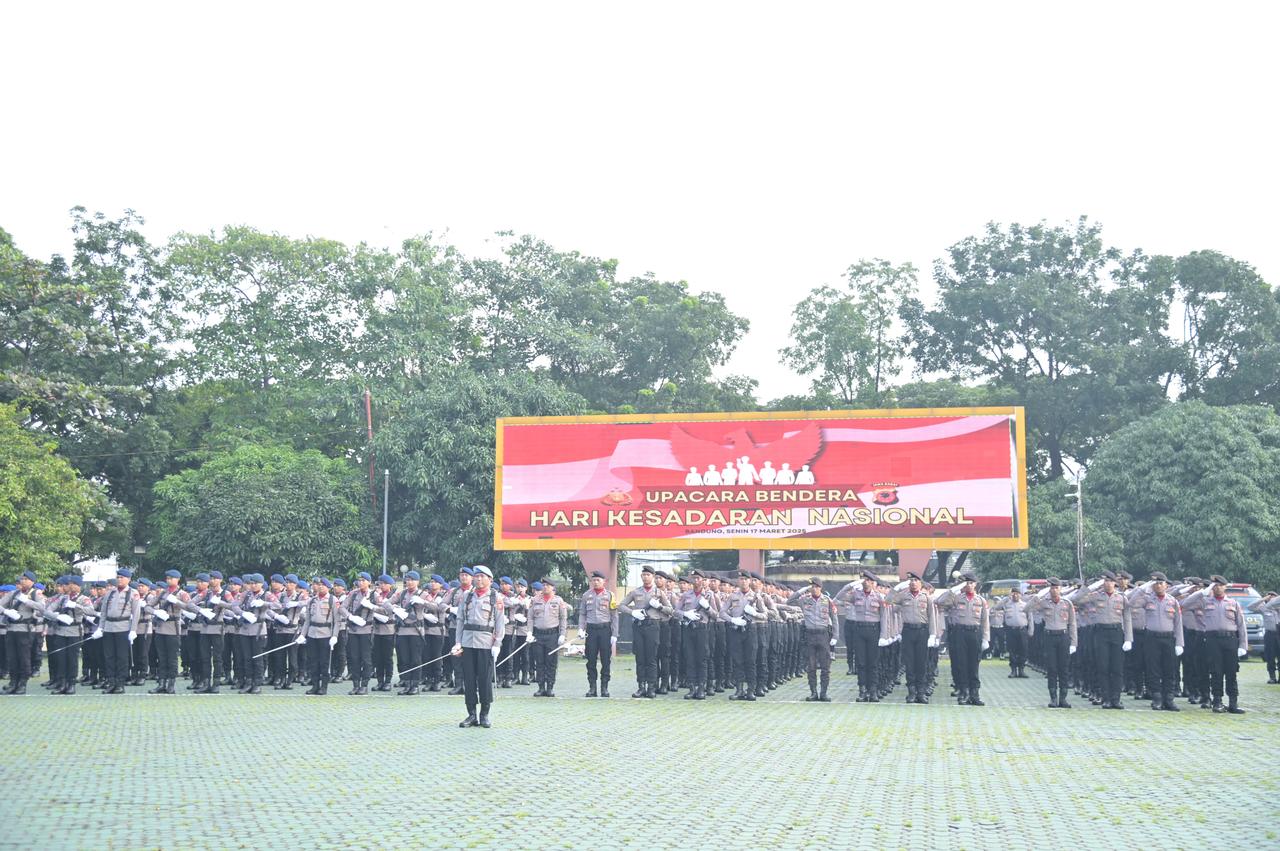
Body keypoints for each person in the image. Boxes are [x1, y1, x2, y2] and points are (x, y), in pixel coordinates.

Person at [1179, 574, 1248, 713]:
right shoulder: (1205, 601)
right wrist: (1202, 592)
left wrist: (1243, 645)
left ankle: (1233, 703)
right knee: (1216, 672)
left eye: (1220, 585)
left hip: (1230, 639)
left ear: (1225, 587)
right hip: (1212, 640)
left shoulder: (1233, 603)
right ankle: (1217, 701)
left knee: (1231, 672)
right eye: (1214, 585)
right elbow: (1184, 604)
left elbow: (1241, 625)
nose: (1217, 588)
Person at [1068, 570, 1133, 709]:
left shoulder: (1121, 598)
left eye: (1109, 581)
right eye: (1104, 581)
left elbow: (1127, 618)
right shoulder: (1096, 596)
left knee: (1117, 668)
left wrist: (1128, 638)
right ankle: (1106, 699)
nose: (1107, 583)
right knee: (1103, 667)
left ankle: (1116, 699)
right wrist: (1087, 587)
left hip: (1116, 632)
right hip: (1101, 633)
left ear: (1114, 583)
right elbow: (1075, 600)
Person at [452, 565, 506, 728]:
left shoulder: (495, 598)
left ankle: (484, 714)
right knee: (469, 680)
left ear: (490, 579)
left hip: (485, 643)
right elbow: (460, 620)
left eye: (482, 576)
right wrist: (458, 642)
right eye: (476, 576)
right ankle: (471, 714)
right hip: (468, 643)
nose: (478, 579)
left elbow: (499, 623)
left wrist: (497, 644)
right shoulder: (467, 596)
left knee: (484, 680)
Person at [1126, 572, 1184, 711]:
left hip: (1168, 638)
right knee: (1153, 670)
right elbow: (1131, 602)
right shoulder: (1147, 599)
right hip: (1151, 638)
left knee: (1169, 670)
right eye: (1156, 583)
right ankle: (1157, 698)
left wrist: (1180, 643)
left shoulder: (1172, 601)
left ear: (1166, 585)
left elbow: (1178, 623)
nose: (1158, 586)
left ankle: (1169, 699)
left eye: (1161, 583)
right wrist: (1142, 588)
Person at [934, 570, 990, 706]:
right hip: (960, 633)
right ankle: (964, 693)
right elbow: (938, 601)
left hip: (975, 634)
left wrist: (985, 638)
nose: (969, 586)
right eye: (966, 583)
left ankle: (974, 694)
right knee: (962, 664)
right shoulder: (956, 598)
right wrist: (952, 590)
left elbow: (985, 621)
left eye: (971, 583)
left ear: (975, 585)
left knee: (974, 665)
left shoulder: (981, 601)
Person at [884, 572, 938, 704]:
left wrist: (933, 635)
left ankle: (921, 692)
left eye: (915, 580)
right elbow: (888, 601)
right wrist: (896, 588)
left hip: (922, 632)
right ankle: (912, 692)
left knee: (921, 663)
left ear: (920, 583)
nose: (913, 582)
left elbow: (932, 617)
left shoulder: (927, 598)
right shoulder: (903, 596)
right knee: (910, 663)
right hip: (908, 631)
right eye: (911, 580)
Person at [835, 571, 887, 702]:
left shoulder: (879, 596)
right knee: (861, 663)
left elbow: (884, 616)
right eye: (863, 580)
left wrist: (883, 635)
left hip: (874, 630)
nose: (865, 582)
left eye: (867, 580)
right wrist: (850, 585)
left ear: (872, 582)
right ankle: (862, 690)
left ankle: (873, 690)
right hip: (859, 630)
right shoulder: (856, 594)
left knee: (873, 663)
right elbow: (840, 596)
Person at [620, 566, 672, 698]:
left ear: (653, 577)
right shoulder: (635, 592)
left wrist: (659, 606)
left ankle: (651, 687)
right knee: (640, 658)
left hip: (653, 626)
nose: (645, 577)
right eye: (643, 575)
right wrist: (633, 612)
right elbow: (621, 605)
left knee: (652, 658)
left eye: (648, 575)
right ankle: (641, 686)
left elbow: (670, 610)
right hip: (639, 626)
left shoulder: (659, 593)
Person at [1026, 578, 1078, 708]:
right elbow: (1027, 608)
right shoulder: (1044, 603)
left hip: (1063, 637)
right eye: (1052, 588)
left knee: (1064, 669)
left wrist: (1074, 642)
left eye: (1056, 587)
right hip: (1050, 637)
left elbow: (1072, 623)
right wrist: (1039, 595)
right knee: (1052, 668)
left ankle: (1063, 698)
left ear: (1060, 589)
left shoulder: (1067, 603)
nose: (1054, 590)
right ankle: (1053, 698)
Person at [785, 577, 838, 701]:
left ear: (820, 587)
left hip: (823, 635)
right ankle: (813, 692)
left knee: (825, 666)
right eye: (811, 587)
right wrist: (801, 591)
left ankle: (823, 693)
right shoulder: (804, 600)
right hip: (809, 635)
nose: (812, 589)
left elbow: (834, 619)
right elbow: (789, 601)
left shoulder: (827, 600)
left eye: (815, 586)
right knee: (811, 666)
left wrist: (835, 636)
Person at [675, 571, 717, 700]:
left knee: (702, 659)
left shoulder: (709, 595)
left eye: (698, 578)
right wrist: (685, 614)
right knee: (690, 658)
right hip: (688, 628)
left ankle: (701, 688)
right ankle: (692, 687)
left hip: (702, 629)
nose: (695, 580)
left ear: (703, 580)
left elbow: (716, 615)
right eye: (693, 578)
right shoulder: (686, 595)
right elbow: (675, 611)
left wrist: (708, 607)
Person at [578, 570, 619, 697]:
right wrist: (581, 628)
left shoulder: (610, 595)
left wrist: (614, 634)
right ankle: (592, 688)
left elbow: (614, 615)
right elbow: (582, 614)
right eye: (593, 580)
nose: (595, 582)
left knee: (606, 660)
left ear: (604, 581)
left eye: (598, 580)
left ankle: (604, 687)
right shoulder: (586, 595)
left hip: (605, 630)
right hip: (591, 630)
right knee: (590, 660)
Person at [296, 577, 340, 695]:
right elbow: (307, 621)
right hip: (312, 634)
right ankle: (315, 685)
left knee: (324, 662)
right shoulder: (312, 600)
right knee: (313, 662)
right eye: (319, 584)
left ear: (328, 587)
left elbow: (337, 621)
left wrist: (334, 636)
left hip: (325, 634)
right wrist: (303, 635)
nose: (320, 587)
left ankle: (323, 687)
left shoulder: (333, 600)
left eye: (323, 585)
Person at [386, 570, 426, 695]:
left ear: (417, 581)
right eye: (407, 580)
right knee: (404, 659)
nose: (409, 582)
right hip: (402, 631)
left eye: (412, 580)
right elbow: (386, 603)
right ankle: (407, 684)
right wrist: (395, 609)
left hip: (416, 631)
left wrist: (423, 602)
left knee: (416, 659)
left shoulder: (423, 594)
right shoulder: (401, 593)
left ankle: (415, 685)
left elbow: (436, 607)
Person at [528, 579, 567, 696]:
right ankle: (541, 687)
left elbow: (562, 618)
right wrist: (529, 633)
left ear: (552, 587)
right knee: (539, 661)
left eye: (548, 585)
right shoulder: (534, 600)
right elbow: (530, 618)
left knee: (551, 662)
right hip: (538, 634)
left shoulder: (558, 601)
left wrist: (562, 634)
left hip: (552, 635)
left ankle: (550, 687)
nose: (545, 587)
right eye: (543, 585)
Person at [341, 572, 375, 695]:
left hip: (366, 631)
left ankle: (364, 685)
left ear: (369, 582)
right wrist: (350, 617)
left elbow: (384, 610)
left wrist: (371, 606)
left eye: (363, 580)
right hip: (354, 630)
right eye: (359, 580)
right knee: (354, 658)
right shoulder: (353, 594)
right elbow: (342, 608)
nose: (361, 582)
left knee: (366, 659)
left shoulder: (374, 595)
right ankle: (356, 684)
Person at [993, 588, 1030, 678]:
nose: (1015, 595)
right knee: (1012, 650)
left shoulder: (1025, 605)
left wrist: (1030, 631)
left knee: (1023, 650)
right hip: (1011, 630)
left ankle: (1021, 670)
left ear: (1020, 595)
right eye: (1013, 594)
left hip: (1022, 630)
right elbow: (996, 607)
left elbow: (1030, 618)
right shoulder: (1006, 604)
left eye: (1017, 594)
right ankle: (1013, 670)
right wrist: (1006, 598)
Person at [369, 575, 397, 691]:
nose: (382, 585)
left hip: (389, 630)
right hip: (377, 630)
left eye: (385, 583)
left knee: (387, 657)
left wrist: (375, 609)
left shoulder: (394, 596)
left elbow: (389, 610)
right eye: (381, 583)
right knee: (377, 657)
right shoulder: (377, 596)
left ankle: (388, 681)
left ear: (390, 585)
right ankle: (380, 681)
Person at [1246, 591, 1279, 683]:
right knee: (1270, 657)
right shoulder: (1264, 608)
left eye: (1274, 597)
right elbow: (1250, 607)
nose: (1272, 599)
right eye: (1270, 597)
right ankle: (1272, 677)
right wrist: (1263, 599)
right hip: (1270, 635)